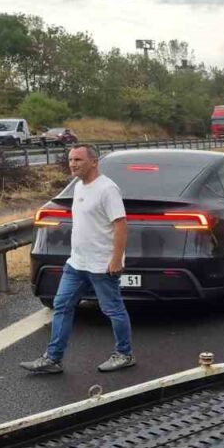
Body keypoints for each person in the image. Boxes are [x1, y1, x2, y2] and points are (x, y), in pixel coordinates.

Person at [20, 145, 134, 374]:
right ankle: (53, 359)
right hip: (77, 263)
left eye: (78, 159)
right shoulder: (79, 186)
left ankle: (124, 354)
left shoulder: (107, 189)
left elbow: (121, 225)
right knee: (61, 306)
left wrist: (116, 259)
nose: (72, 163)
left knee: (112, 309)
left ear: (93, 162)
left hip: (101, 264)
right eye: (71, 159)